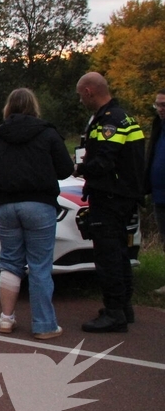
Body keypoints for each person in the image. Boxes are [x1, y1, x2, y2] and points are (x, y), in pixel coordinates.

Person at [0, 88, 74, 339]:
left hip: (6, 206)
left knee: (10, 262)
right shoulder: (48, 133)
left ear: (8, 107)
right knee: (39, 266)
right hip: (40, 204)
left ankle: (6, 319)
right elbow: (65, 169)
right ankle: (44, 325)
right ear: (34, 106)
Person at [75, 72, 145, 332]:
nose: (81, 100)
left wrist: (81, 170)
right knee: (120, 253)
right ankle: (123, 307)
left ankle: (114, 312)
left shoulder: (109, 122)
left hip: (109, 196)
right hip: (124, 196)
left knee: (107, 256)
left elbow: (104, 160)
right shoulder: (124, 116)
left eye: (81, 94)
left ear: (90, 91)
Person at [144, 88, 165, 294]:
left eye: (164, 105)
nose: (160, 109)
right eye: (157, 105)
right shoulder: (158, 125)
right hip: (159, 193)